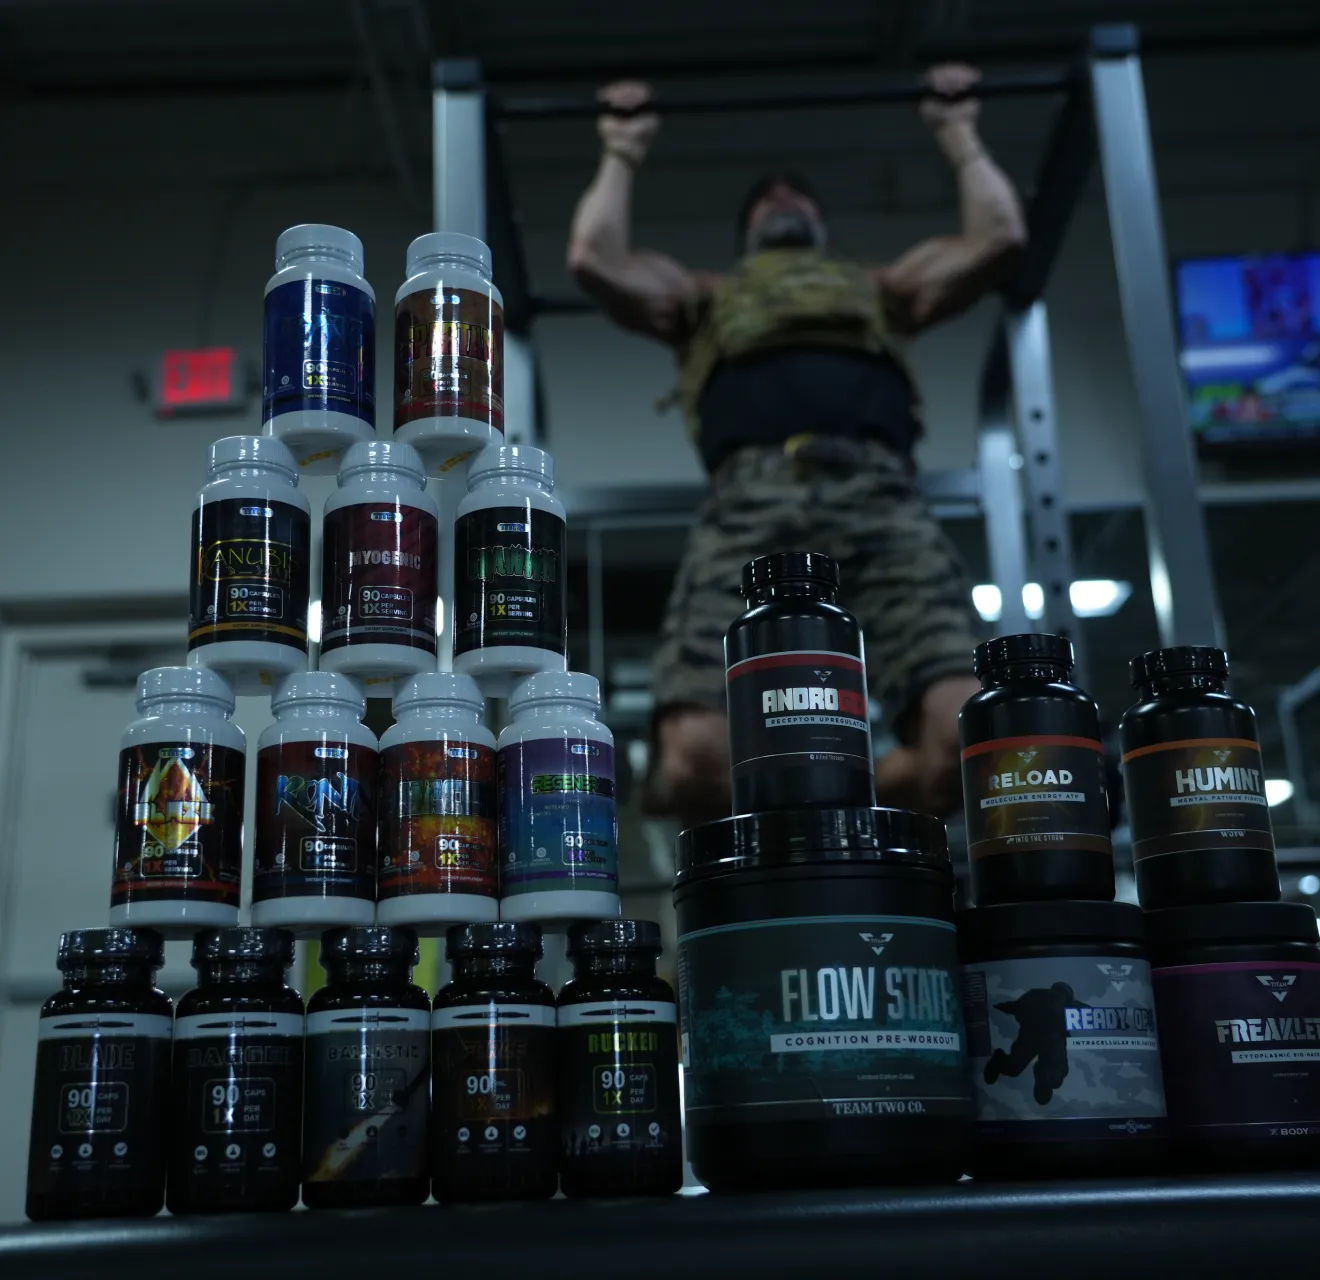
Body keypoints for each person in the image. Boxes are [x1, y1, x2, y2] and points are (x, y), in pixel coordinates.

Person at [566, 65, 1027, 828]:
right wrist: (622, 148)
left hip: (880, 503)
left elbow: (1001, 235)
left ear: (822, 225)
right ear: (746, 235)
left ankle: (832, 818)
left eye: (797, 196)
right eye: (764, 201)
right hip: (750, 505)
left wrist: (959, 132)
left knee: (969, 748)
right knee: (693, 764)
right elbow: (594, 258)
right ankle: (812, 826)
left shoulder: (879, 288)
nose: (781, 199)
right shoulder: (707, 299)